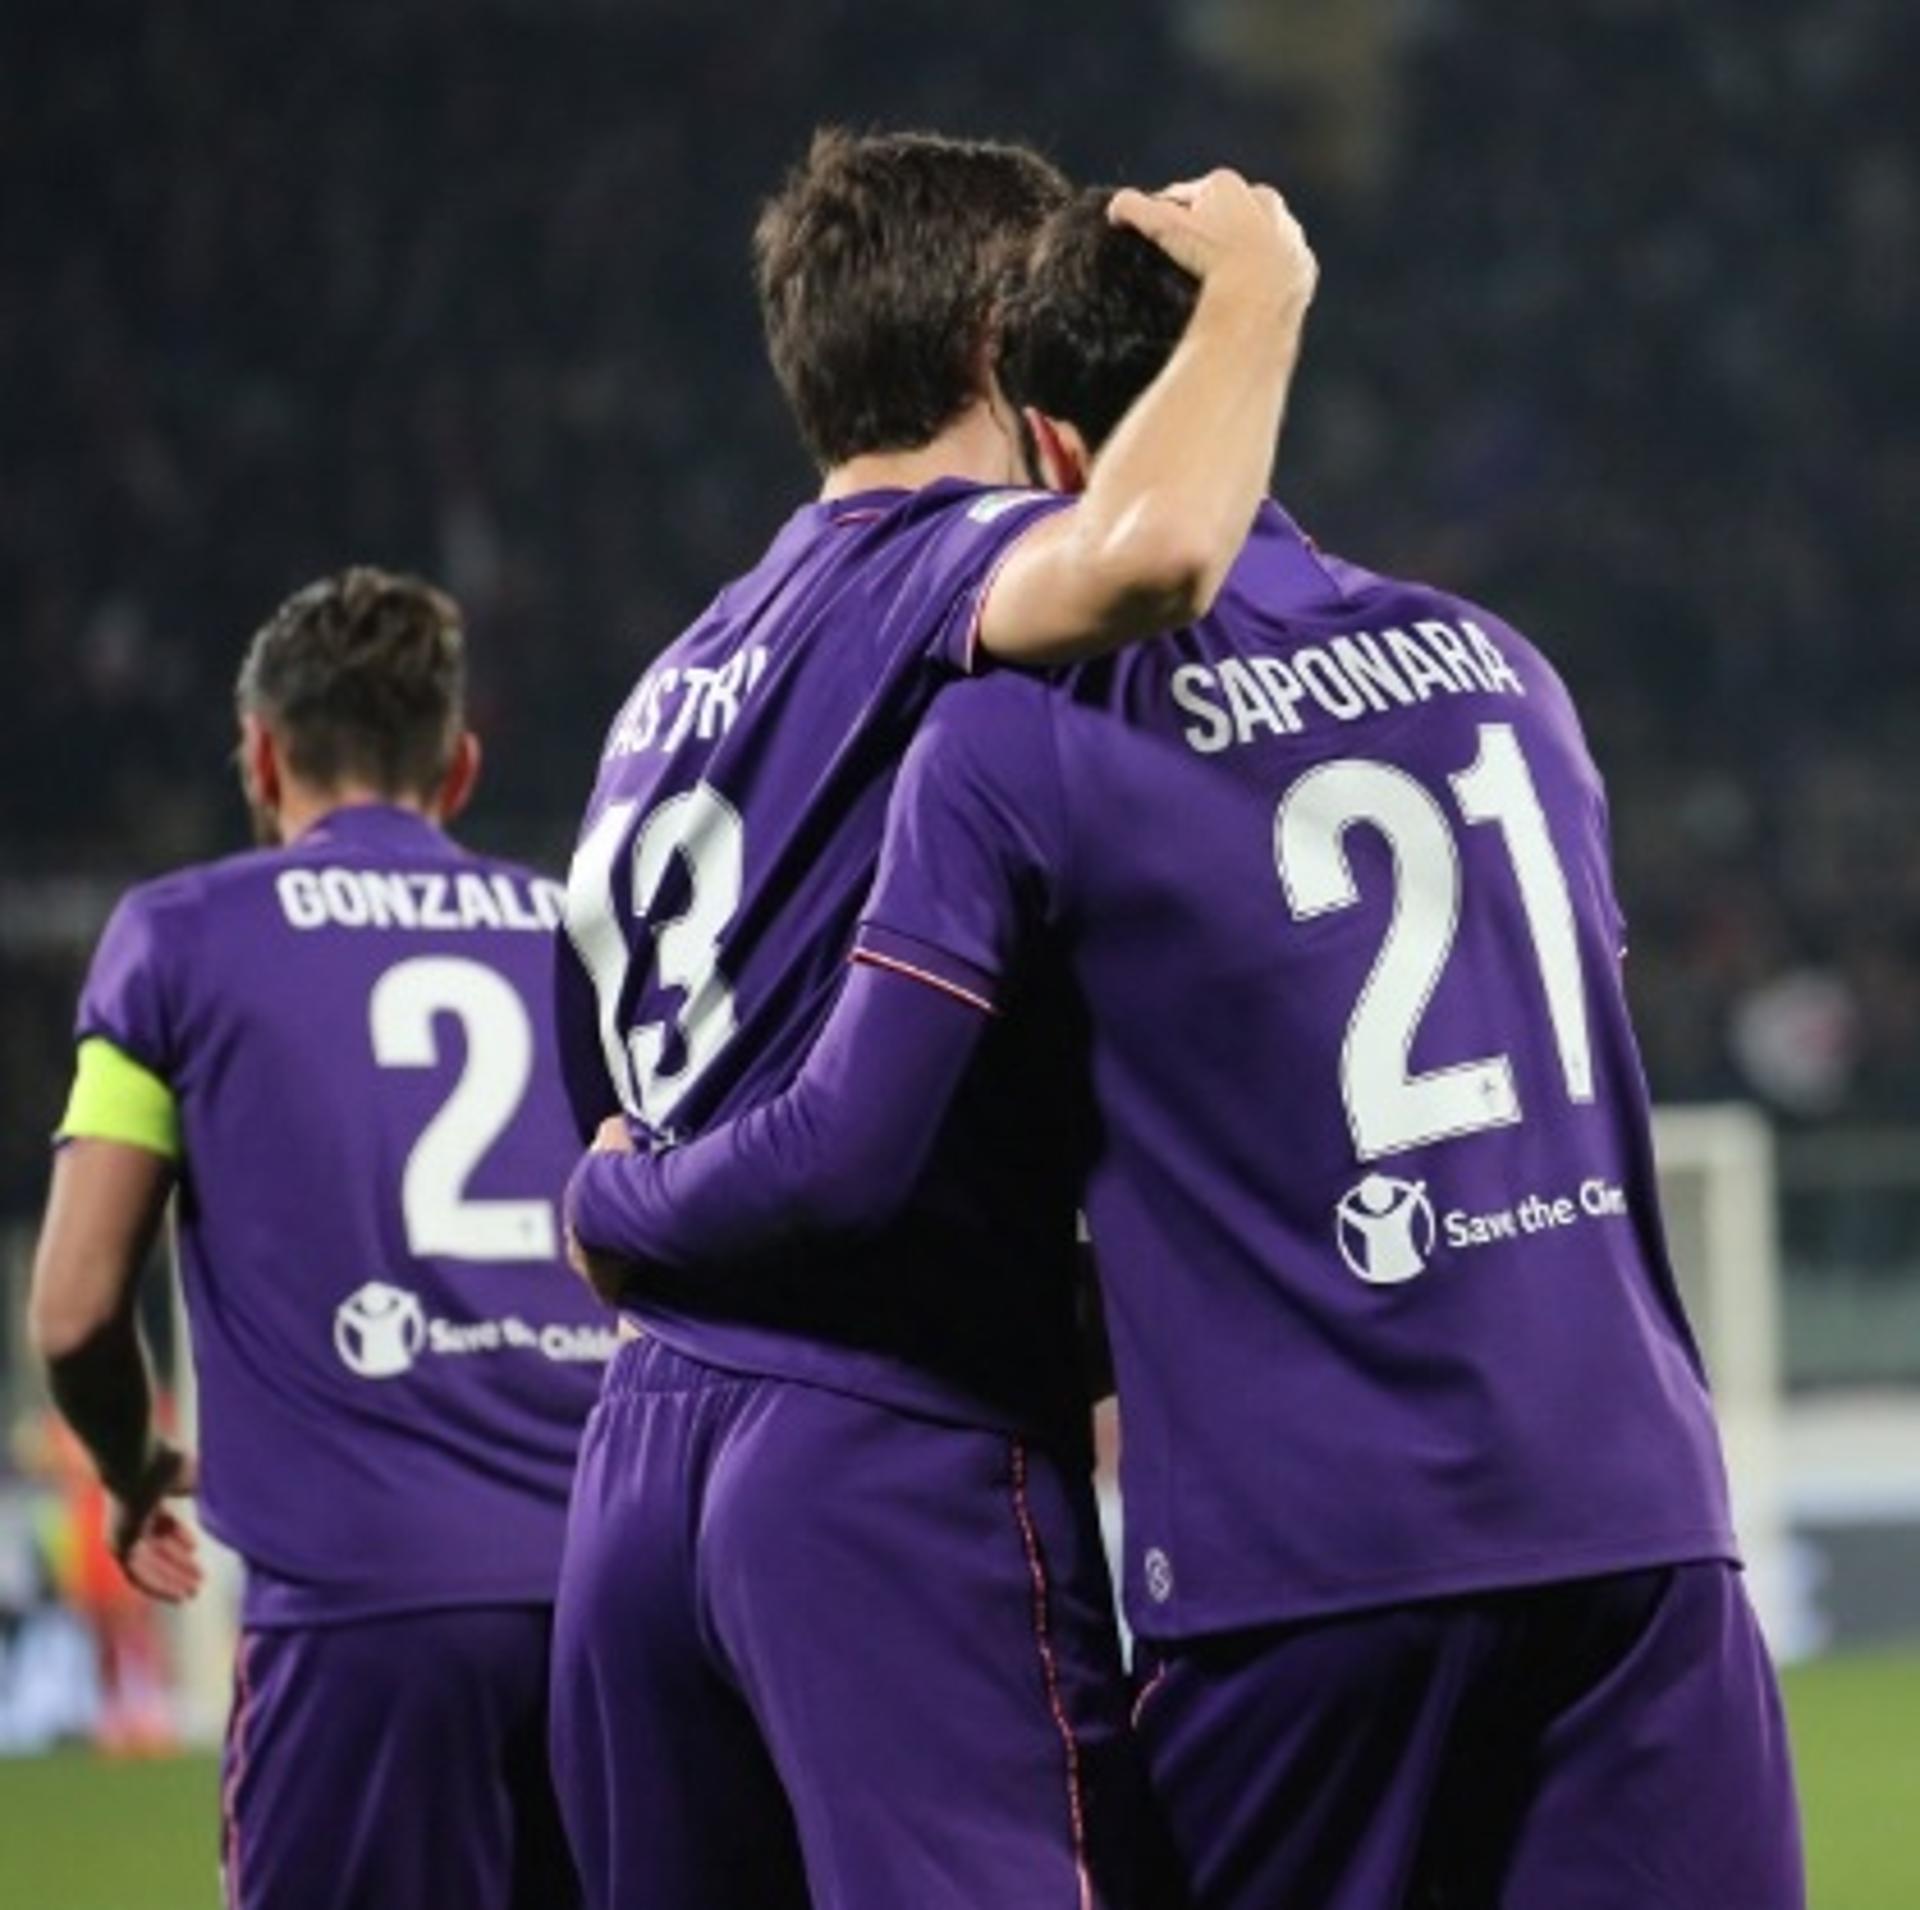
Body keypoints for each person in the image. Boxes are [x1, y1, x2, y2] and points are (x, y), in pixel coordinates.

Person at [566, 190, 1805, 1909]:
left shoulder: (1006, 728)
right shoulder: (1507, 673)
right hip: (1638, 1513)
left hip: (1298, 1554)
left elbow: (849, 1141)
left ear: (1062, 438)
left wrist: (621, 1204)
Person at [549, 129, 1316, 1909]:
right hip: (882, 1443)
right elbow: (1157, 558)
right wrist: (1260, 296)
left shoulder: (676, 675)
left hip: (642, 1466)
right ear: (996, 336)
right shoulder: (953, 563)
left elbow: (602, 1061)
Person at [30, 569, 613, 1910]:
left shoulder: (176, 942)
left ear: (261, 752)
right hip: (616, 1607)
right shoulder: (580, 941)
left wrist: (128, 1462)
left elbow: (70, 1310)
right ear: (459, 766)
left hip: (366, 1617)